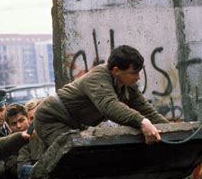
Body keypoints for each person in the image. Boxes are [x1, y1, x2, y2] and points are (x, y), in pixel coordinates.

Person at [34, 45, 169, 149]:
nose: (138, 77)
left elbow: (146, 110)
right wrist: (142, 122)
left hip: (75, 123)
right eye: (133, 73)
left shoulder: (128, 84)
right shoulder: (98, 77)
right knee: (74, 160)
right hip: (52, 119)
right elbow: (109, 106)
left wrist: (172, 130)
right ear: (116, 70)